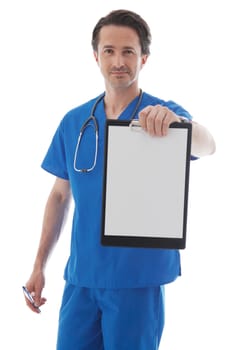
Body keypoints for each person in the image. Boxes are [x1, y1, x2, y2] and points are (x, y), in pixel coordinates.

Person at [24, 9, 216, 350]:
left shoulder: (162, 114)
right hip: (81, 278)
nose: (118, 60)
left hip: (136, 281)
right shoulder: (75, 121)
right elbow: (58, 197)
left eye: (128, 51)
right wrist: (39, 265)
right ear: (96, 56)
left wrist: (179, 126)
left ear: (144, 58)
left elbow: (208, 145)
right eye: (109, 50)